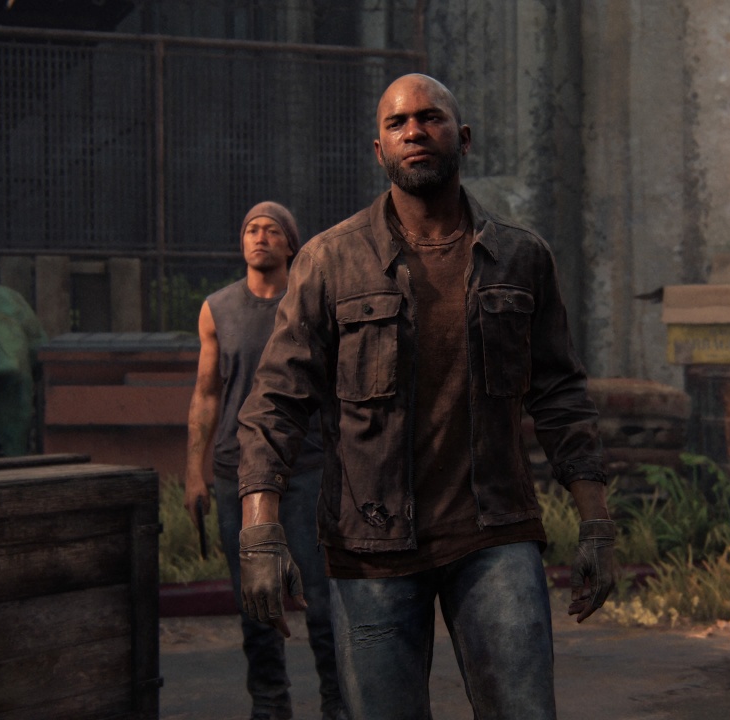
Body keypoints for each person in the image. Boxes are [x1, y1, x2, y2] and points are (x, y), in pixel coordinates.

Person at [235, 73, 618, 719]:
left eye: (430, 117)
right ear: (378, 149)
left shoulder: (520, 256)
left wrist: (597, 524)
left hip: (495, 535)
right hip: (371, 546)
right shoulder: (329, 262)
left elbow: (560, 397)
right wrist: (260, 532)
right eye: (397, 123)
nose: (414, 131)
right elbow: (277, 401)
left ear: (462, 138)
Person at [185, 201, 347, 720]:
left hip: (305, 468)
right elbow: (207, 393)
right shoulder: (217, 309)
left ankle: (337, 704)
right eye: (251, 229)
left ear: (290, 244)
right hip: (235, 471)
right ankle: (270, 705)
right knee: (255, 601)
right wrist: (194, 472)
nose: (259, 237)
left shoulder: (310, 304)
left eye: (272, 230)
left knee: (320, 599)